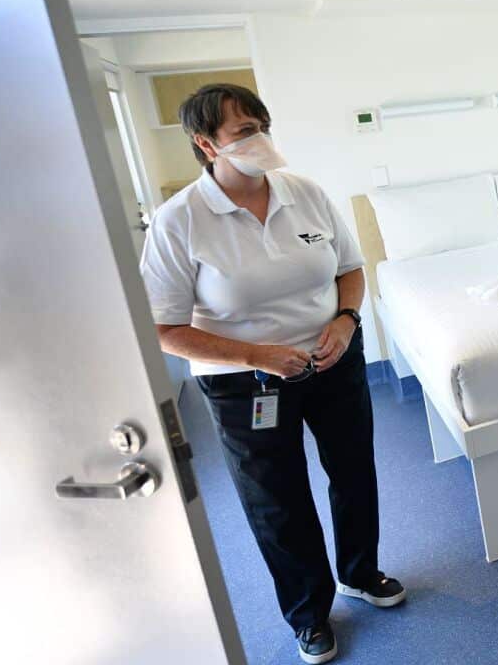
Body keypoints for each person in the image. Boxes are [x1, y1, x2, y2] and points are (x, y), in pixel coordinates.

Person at [139, 84, 403, 664]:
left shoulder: (304, 193)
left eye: (262, 124)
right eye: (243, 132)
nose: (259, 138)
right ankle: (309, 613)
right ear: (207, 145)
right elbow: (164, 327)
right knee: (277, 500)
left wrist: (346, 321)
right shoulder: (179, 220)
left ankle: (361, 572)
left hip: (332, 361)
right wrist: (259, 356)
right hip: (245, 382)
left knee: (354, 472)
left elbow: (350, 268)